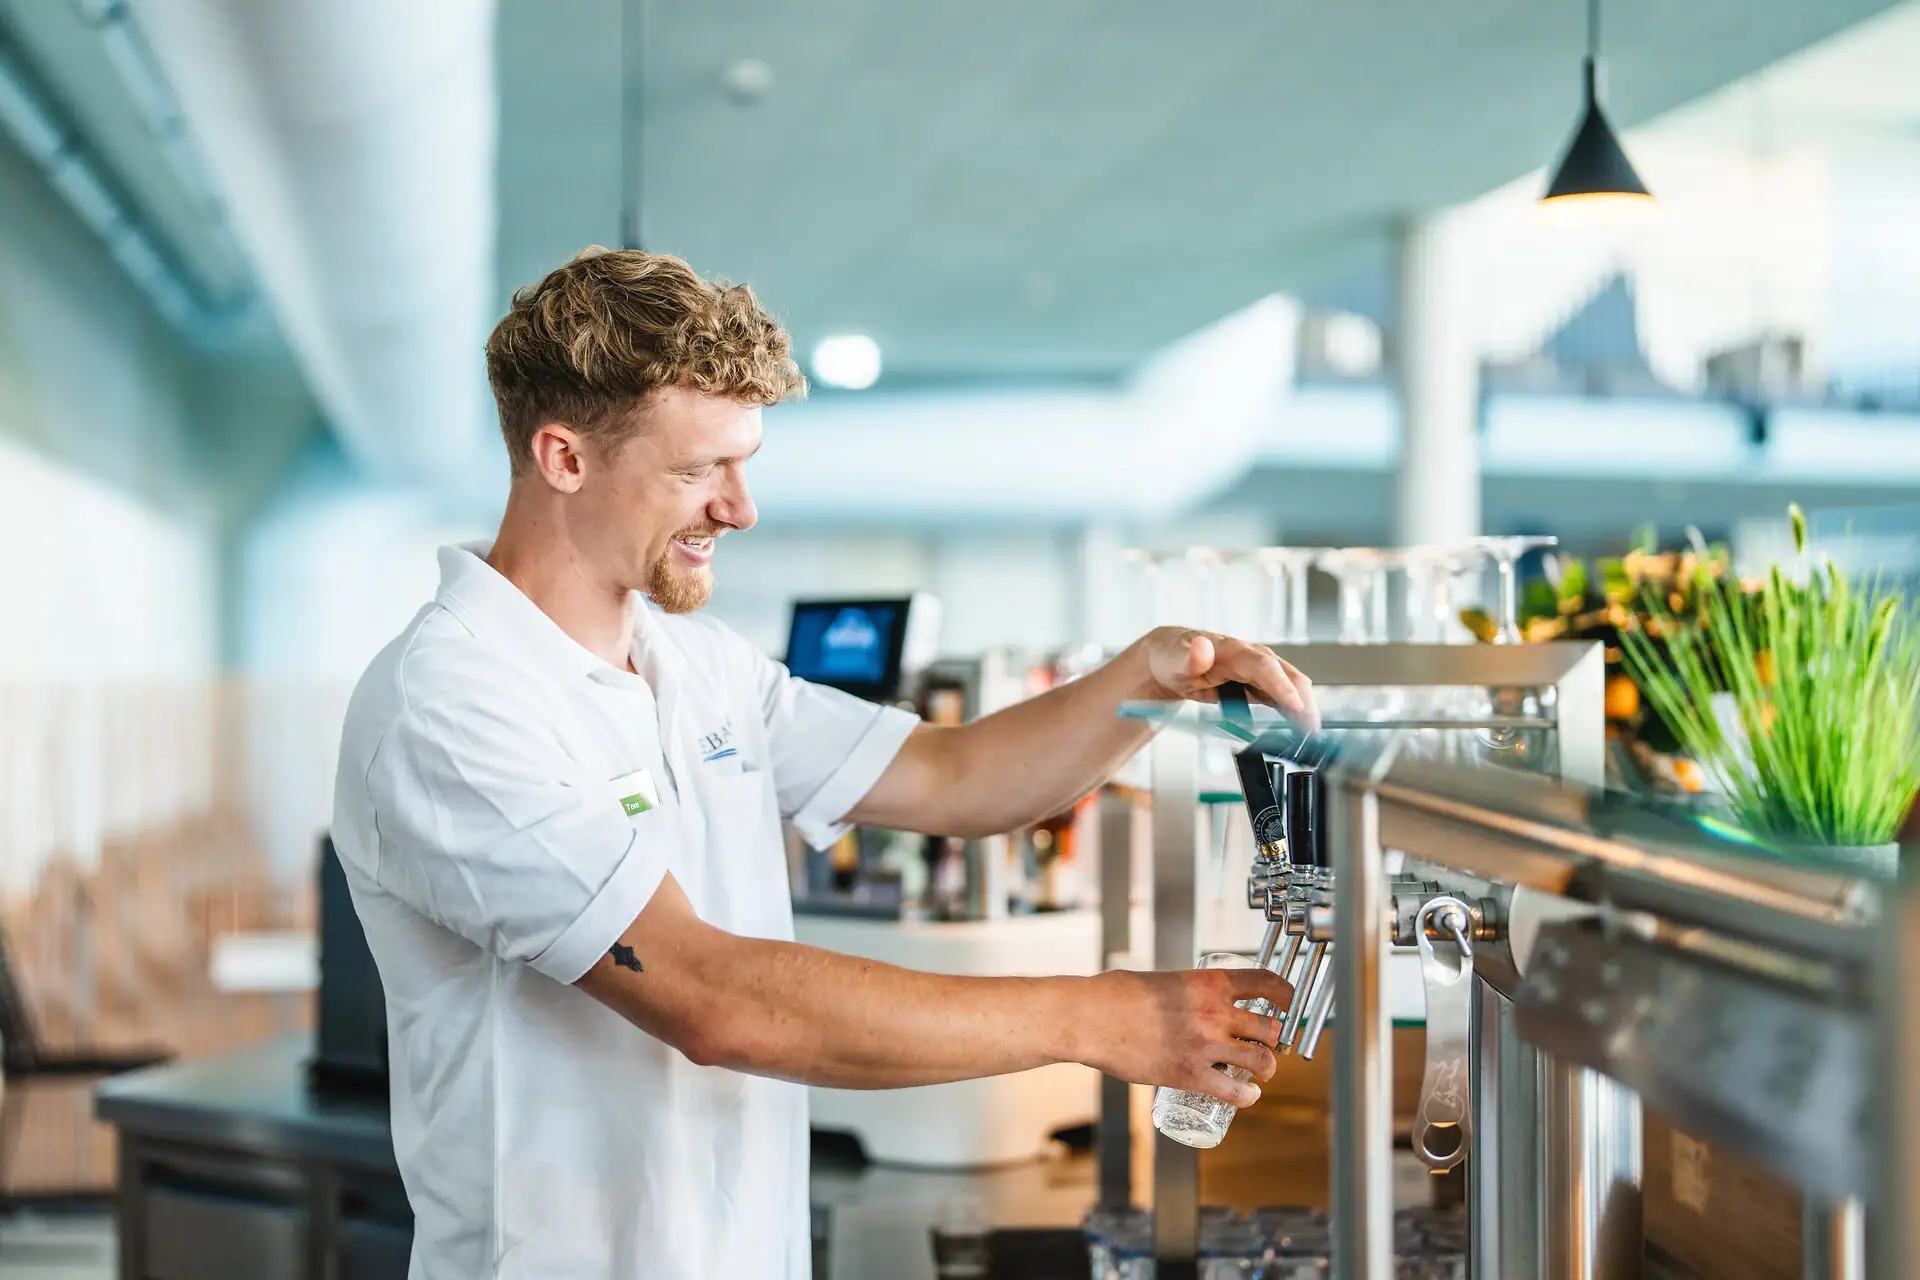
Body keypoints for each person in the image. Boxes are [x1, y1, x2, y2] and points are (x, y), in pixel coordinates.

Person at [331, 247, 1318, 1280]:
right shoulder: (452, 701)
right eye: (696, 468)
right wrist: (1106, 1016)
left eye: (743, 461)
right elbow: (713, 996)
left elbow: (954, 773)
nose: (738, 507)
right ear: (564, 458)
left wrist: (1148, 678)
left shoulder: (698, 664)